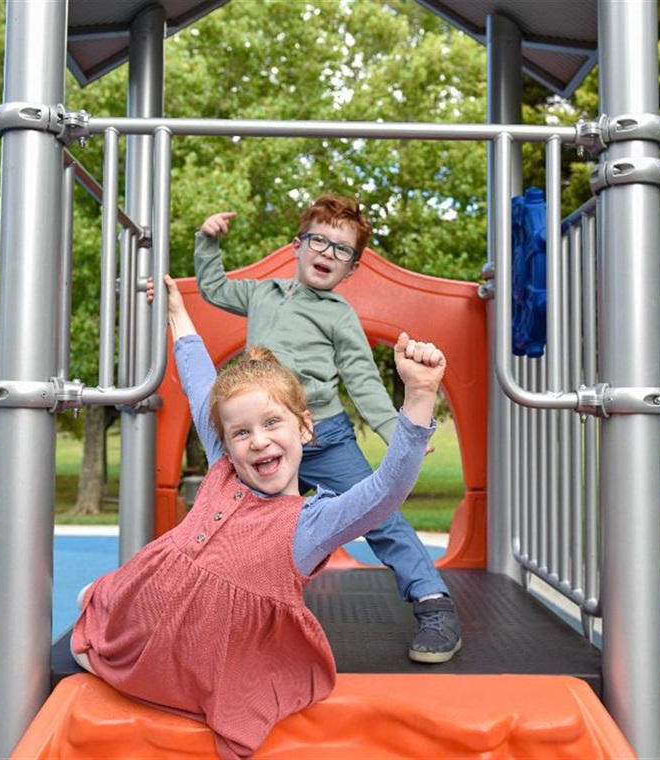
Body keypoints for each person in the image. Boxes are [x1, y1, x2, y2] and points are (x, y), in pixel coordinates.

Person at [70, 275, 446, 760]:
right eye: (242, 432)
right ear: (225, 443)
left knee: (191, 689)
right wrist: (177, 314)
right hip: (155, 592)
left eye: (272, 424)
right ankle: (108, 599)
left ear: (305, 427)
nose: (259, 441)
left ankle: (109, 605)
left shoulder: (312, 522)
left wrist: (418, 396)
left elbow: (385, 489)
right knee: (106, 616)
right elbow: (199, 378)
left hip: (208, 644)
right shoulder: (224, 468)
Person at [194, 195, 461, 663]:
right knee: (236, 518)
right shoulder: (261, 293)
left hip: (324, 438)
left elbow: (362, 379)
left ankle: (432, 601)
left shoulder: (338, 314)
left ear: (352, 269)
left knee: (377, 513)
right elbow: (213, 287)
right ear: (297, 245)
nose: (327, 254)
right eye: (319, 241)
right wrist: (207, 239)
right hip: (267, 440)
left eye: (342, 250)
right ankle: (219, 606)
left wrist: (397, 430)